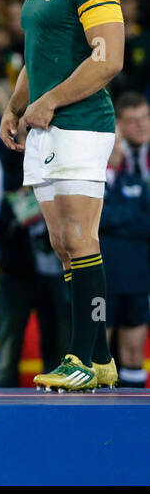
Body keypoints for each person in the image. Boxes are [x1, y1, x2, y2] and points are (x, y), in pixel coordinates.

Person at [0, 0, 122, 392]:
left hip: (80, 123)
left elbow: (108, 57)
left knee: (79, 239)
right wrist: (15, 103)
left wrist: (48, 102)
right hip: (46, 128)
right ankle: (101, 359)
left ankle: (80, 358)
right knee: (62, 246)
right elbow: (39, 53)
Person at [101, 93, 150, 388]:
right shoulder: (90, 183)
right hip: (103, 277)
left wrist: (112, 220)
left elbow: (146, 225)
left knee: (134, 351)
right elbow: (92, 222)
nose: (141, 126)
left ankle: (138, 423)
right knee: (99, 354)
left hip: (137, 276)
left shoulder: (135, 182)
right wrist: (127, 217)